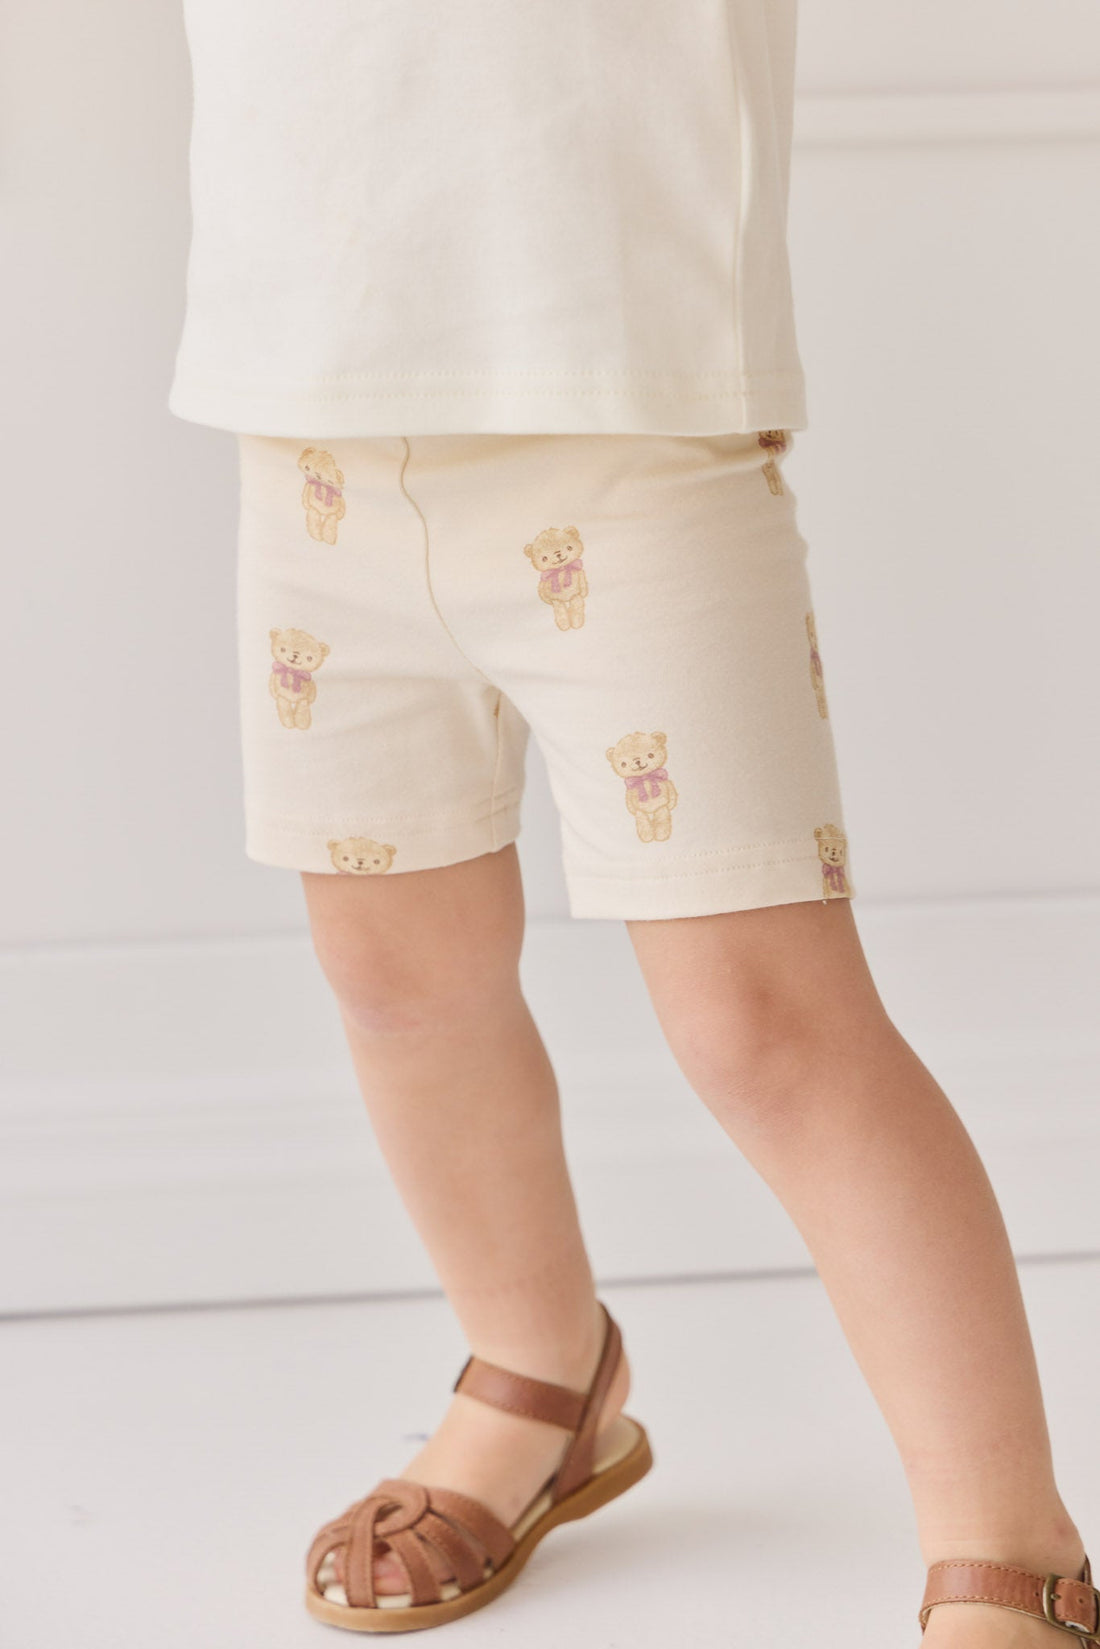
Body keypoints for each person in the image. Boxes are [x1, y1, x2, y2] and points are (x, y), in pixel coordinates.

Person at [169, 2, 1095, 1640]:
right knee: (394, 970)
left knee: (766, 1020)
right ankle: (539, 1366)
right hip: (311, 413)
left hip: (629, 406)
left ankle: (1006, 1537)